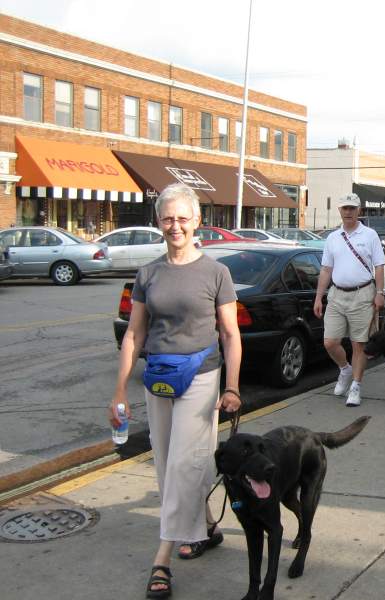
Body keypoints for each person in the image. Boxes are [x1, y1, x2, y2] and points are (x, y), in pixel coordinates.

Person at [109, 183, 242, 598]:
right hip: (159, 377)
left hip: (201, 377)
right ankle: (206, 525)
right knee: (169, 463)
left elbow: (231, 335)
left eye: (183, 218)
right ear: (158, 221)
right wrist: (118, 392)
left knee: (185, 463)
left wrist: (233, 386)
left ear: (198, 221)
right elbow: (134, 334)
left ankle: (161, 559)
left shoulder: (216, 273)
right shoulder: (148, 273)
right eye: (168, 218)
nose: (175, 225)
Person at [314, 193, 385, 407]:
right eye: (345, 208)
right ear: (339, 210)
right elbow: (326, 269)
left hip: (362, 294)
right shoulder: (333, 238)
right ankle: (344, 369)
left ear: (359, 211)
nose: (348, 212)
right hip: (336, 295)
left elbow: (379, 265)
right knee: (330, 342)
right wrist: (319, 297)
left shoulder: (369, 235)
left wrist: (379, 293)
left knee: (358, 345)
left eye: (352, 208)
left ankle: (356, 385)